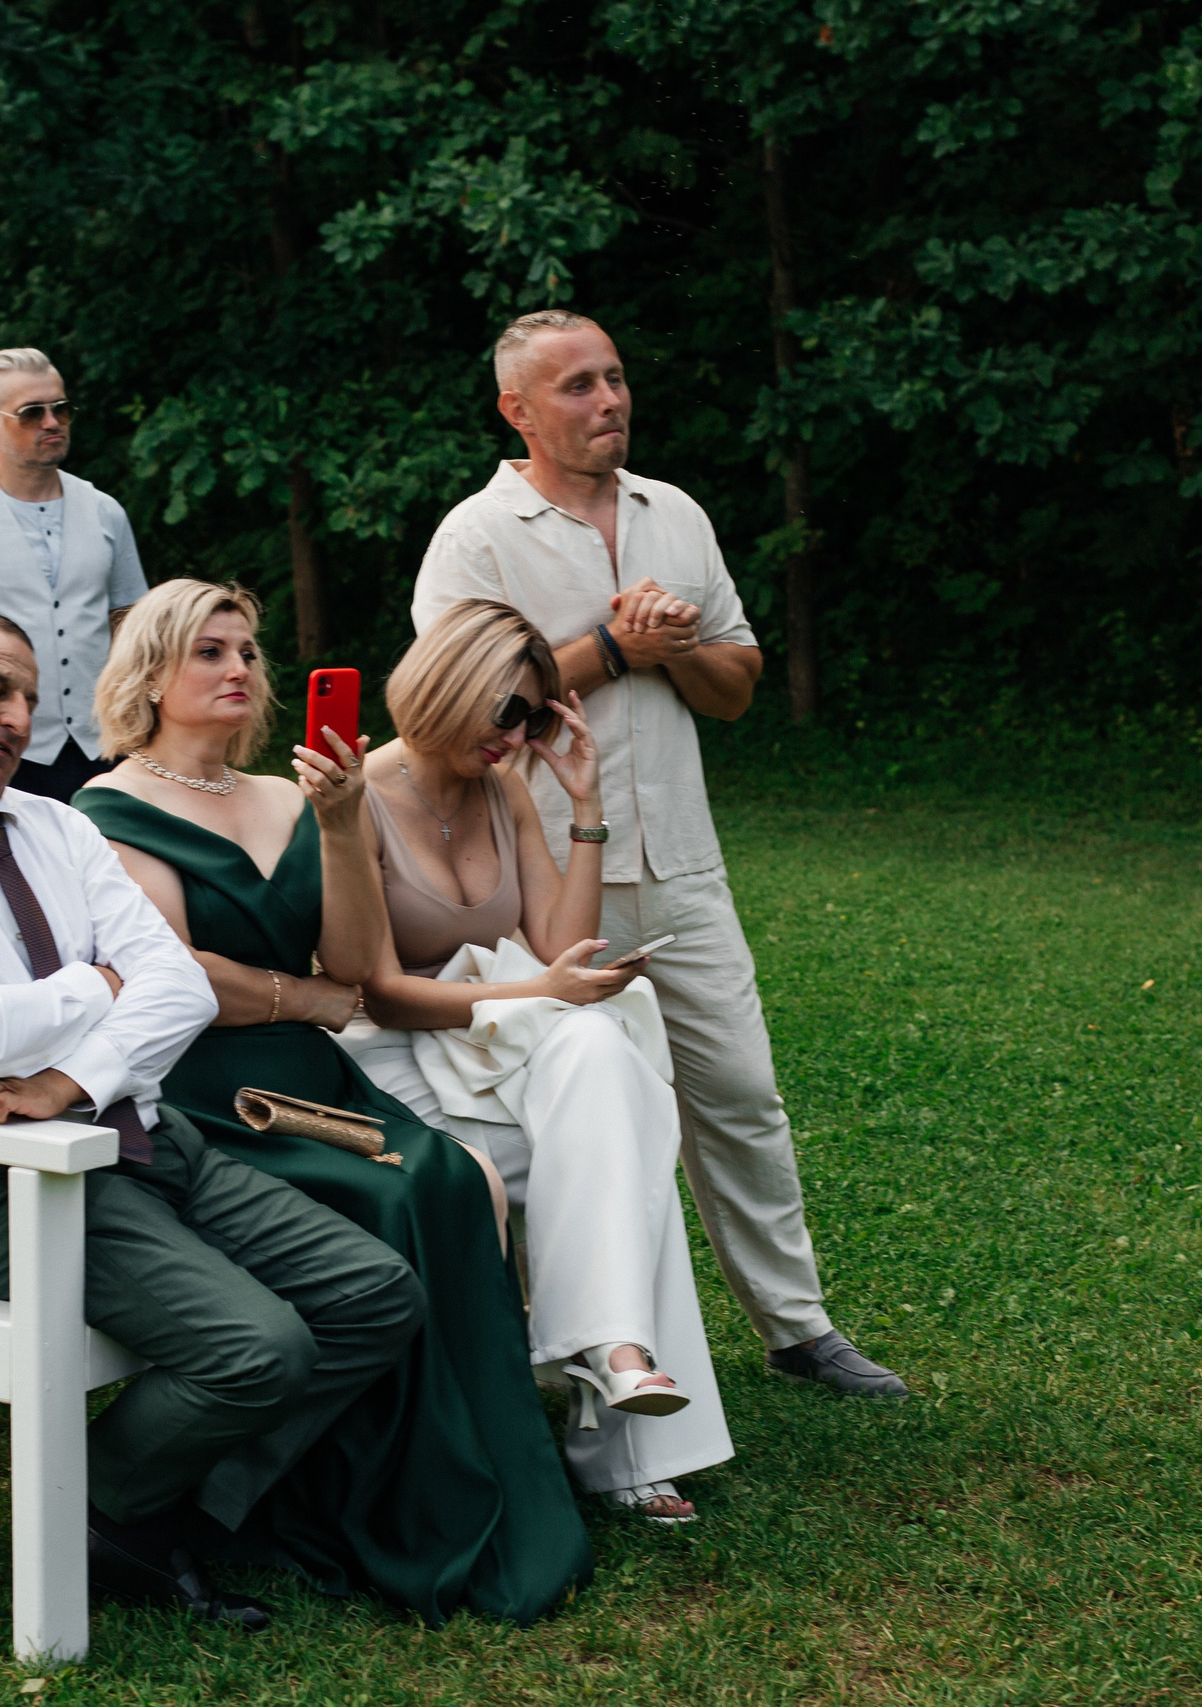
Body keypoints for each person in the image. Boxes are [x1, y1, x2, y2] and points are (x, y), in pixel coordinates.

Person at [0, 607, 425, 1630]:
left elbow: (178, 985)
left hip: (143, 1139)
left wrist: (70, 1078)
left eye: (30, 695)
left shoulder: (56, 825)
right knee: (258, 1350)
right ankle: (110, 1510)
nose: (16, 715)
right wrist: (100, 980)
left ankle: (148, 1509)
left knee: (373, 1294)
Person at [73, 580, 592, 1626]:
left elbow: (359, 964)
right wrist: (299, 995)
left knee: (447, 1176)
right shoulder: (107, 808)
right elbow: (180, 982)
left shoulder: (288, 794)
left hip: (315, 1079)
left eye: (250, 651)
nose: (238, 670)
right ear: (149, 675)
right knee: (394, 1203)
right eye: (209, 651)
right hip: (204, 1097)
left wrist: (344, 821)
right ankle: (342, 1495)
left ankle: (469, 1471)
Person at [414, 308, 907, 1399]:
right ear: (517, 410)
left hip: (679, 860)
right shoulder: (476, 537)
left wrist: (675, 652)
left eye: (615, 378)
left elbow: (734, 688)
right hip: (539, 879)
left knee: (738, 1092)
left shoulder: (673, 513)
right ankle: (577, 1346)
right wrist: (607, 648)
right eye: (578, 387)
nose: (609, 402)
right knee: (562, 1112)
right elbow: (454, 710)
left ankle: (796, 1327)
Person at [317, 600, 733, 1524]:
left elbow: (563, 944)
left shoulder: (502, 787)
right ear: (448, 686)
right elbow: (378, 990)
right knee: (616, 1126)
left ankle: (615, 1350)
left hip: (497, 1045)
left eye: (538, 718)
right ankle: (620, 1431)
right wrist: (540, 991)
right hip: (393, 1062)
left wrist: (584, 805)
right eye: (511, 711)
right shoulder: (359, 794)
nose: (521, 735)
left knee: (598, 1049)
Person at [0, 347, 147, 802]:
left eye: (61, 409)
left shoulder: (104, 511)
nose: (52, 422)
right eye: (31, 413)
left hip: (103, 745)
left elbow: (133, 625)